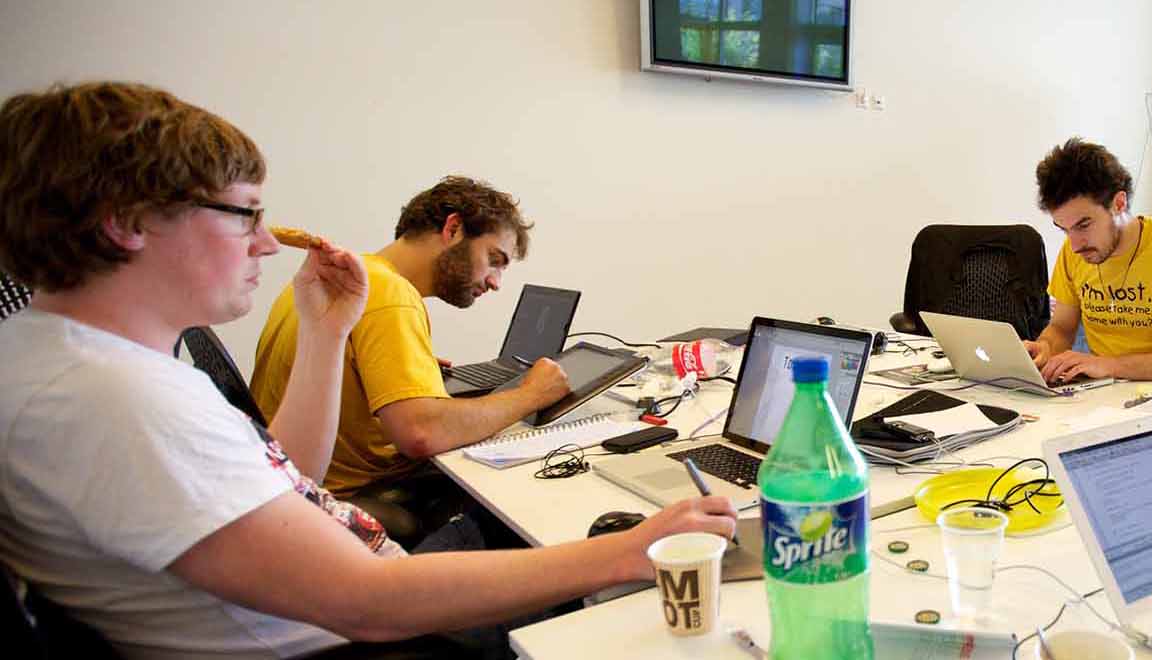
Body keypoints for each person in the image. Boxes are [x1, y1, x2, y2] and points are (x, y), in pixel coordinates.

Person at [0, 81, 737, 658]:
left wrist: (327, 334)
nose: (265, 243)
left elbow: (291, 474)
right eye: (244, 213)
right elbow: (369, 601)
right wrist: (630, 549)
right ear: (128, 220)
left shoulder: (84, 361)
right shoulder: (115, 400)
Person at [250, 176, 568, 530]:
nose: (495, 282)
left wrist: (394, 369)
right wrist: (530, 395)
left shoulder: (337, 278)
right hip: (342, 497)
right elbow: (421, 433)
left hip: (283, 483)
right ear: (453, 228)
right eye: (494, 259)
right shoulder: (390, 295)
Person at [1023, 137, 1152, 383]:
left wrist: (1109, 366)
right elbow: (1062, 328)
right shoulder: (1075, 251)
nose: (1075, 245)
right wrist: (1045, 347)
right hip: (1101, 391)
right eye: (1065, 229)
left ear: (1119, 203)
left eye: (1083, 225)